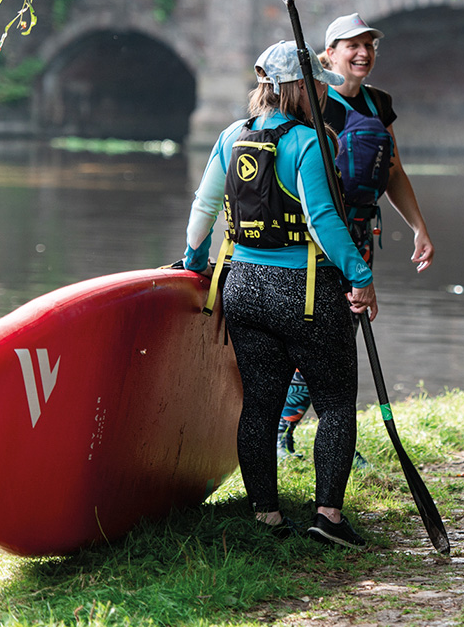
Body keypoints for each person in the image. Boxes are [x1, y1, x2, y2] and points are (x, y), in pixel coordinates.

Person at [182, 40, 377, 550]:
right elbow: (324, 220)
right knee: (335, 402)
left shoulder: (230, 135)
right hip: (305, 292)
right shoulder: (310, 142)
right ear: (300, 88)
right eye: (318, 86)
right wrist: (360, 275)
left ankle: (266, 516)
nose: (324, 94)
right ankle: (328, 518)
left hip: (243, 288)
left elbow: (203, 208)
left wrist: (194, 262)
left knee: (260, 404)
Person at [275, 12, 435, 462]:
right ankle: (284, 430)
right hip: (317, 235)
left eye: (369, 45)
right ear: (329, 54)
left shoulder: (379, 103)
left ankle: (331, 435)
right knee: (320, 334)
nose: (363, 53)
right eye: (353, 45)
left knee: (345, 332)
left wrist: (419, 227)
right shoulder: (312, 103)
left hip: (361, 230)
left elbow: (393, 170)